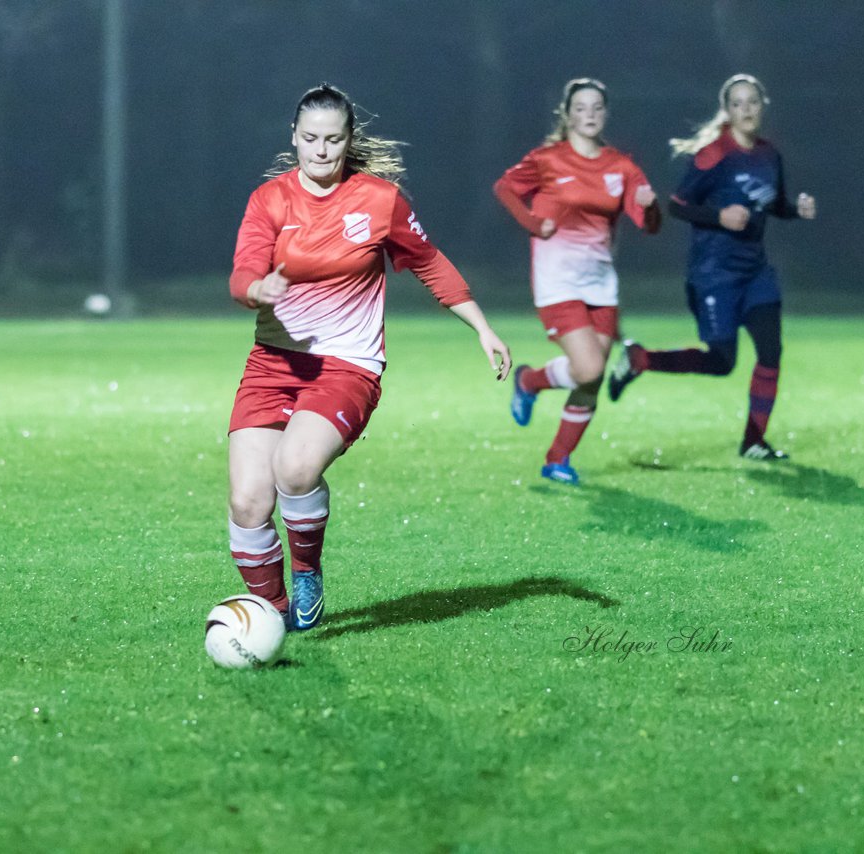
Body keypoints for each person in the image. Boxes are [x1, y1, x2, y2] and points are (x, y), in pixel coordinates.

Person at [226, 83, 512, 631]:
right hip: (272, 366)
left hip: (347, 366)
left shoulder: (380, 201)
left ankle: (307, 571)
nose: (321, 150)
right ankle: (275, 617)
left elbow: (430, 262)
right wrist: (253, 290)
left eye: (333, 139)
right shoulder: (270, 200)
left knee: (296, 466)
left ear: (349, 139)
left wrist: (482, 327)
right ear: (294, 138)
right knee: (247, 504)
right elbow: (244, 269)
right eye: (310, 138)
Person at [607, 74, 817, 461]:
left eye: (752, 102)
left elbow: (773, 204)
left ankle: (754, 441)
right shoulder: (713, 155)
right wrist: (719, 217)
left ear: (762, 105)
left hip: (755, 273)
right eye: (737, 104)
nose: (746, 110)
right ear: (728, 111)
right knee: (722, 362)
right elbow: (676, 205)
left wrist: (796, 210)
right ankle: (641, 359)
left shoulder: (770, 155)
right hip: (714, 275)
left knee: (771, 351)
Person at [496, 78, 661, 486]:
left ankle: (558, 459)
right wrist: (534, 224)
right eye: (581, 107)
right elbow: (506, 188)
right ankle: (530, 380)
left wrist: (651, 207)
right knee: (587, 368)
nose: (589, 114)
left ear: (605, 114)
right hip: (558, 282)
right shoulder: (548, 159)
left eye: (597, 108)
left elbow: (648, 224)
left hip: (601, 285)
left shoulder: (621, 166)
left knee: (593, 378)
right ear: (567, 114)